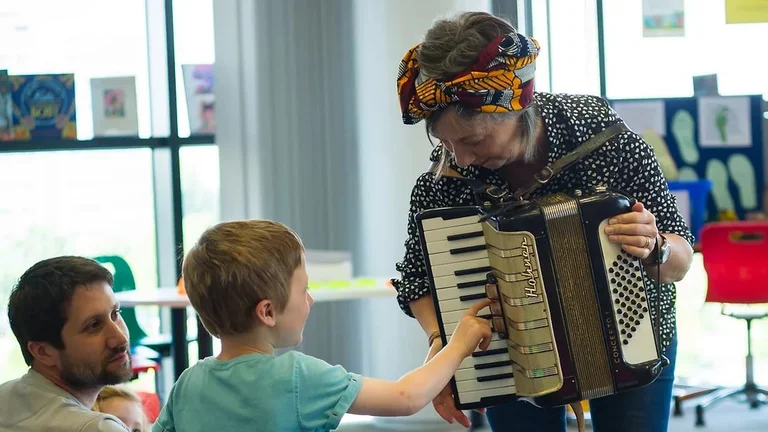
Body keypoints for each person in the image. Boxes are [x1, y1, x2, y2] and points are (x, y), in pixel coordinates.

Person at [392, 11, 695, 432]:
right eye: (445, 142)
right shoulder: (446, 179)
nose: (459, 158)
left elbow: (681, 260)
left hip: (631, 337)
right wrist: (441, 345)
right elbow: (416, 281)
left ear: (516, 109)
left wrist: (656, 246)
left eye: (472, 140)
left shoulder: (604, 140)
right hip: (507, 352)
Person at [151, 219, 493, 432]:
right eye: (304, 289)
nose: (310, 299)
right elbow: (406, 397)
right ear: (267, 312)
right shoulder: (296, 378)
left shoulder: (188, 384)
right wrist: (458, 345)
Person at [1, 256, 134, 432]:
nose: (120, 338)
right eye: (94, 325)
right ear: (43, 352)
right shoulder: (96, 428)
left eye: (115, 313)